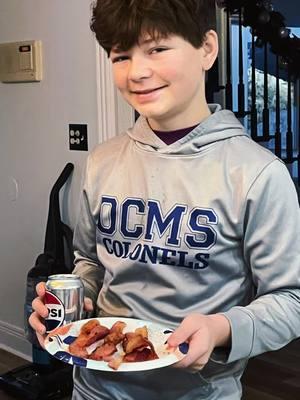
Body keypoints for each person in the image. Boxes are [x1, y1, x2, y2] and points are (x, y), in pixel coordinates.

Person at [29, 0, 300, 399]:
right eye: (121, 55)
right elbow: (89, 263)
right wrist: (68, 301)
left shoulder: (258, 174)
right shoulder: (102, 162)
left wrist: (221, 328)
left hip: (198, 391)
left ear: (207, 49)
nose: (137, 71)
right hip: (94, 388)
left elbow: (290, 299)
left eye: (157, 49)